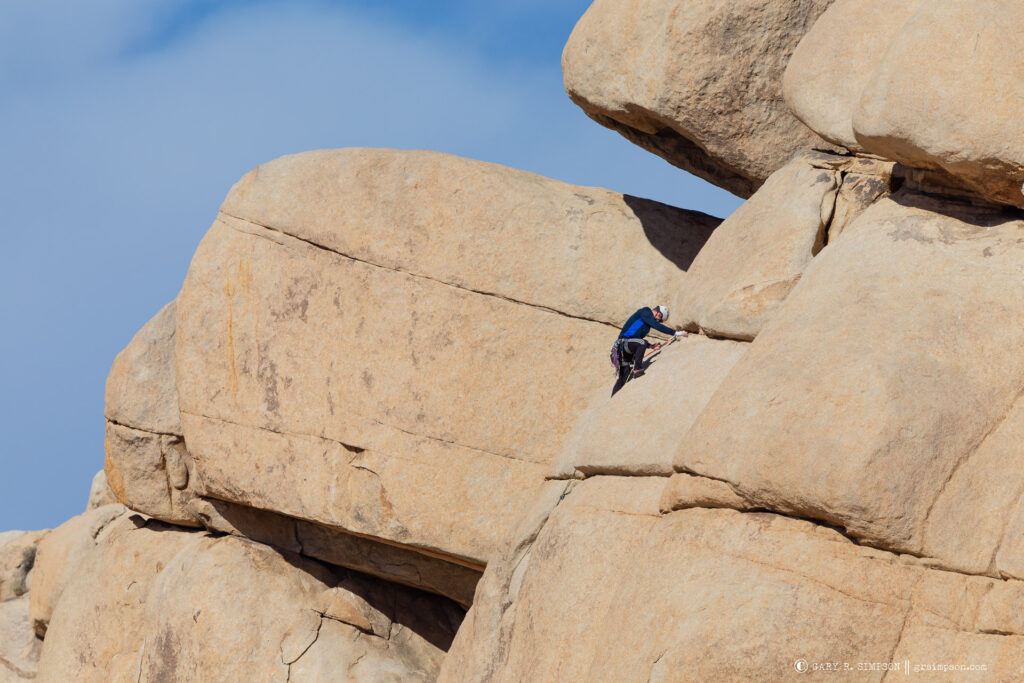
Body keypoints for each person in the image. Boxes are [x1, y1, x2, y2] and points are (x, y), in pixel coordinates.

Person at [614, 305, 687, 379]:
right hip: (623, 344)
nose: (658, 321)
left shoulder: (646, 325)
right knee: (643, 343)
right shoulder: (645, 311)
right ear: (659, 314)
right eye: (660, 319)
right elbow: (657, 326)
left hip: (627, 348)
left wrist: (651, 346)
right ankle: (637, 369)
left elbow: (636, 339)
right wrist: (676, 333)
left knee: (624, 379)